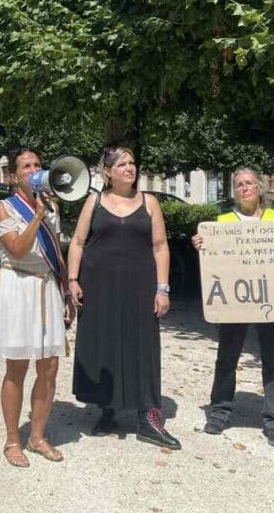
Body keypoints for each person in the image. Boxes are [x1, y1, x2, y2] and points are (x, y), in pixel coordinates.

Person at [67, 146, 180, 450]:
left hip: (140, 286)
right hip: (99, 285)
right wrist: (73, 280)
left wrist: (162, 288)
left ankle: (148, 417)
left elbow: (160, 247)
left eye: (132, 162)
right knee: (103, 344)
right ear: (107, 171)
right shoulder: (94, 201)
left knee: (142, 346)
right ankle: (108, 409)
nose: (130, 168)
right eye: (122, 164)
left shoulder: (150, 202)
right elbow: (78, 242)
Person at [191, 167, 274, 447]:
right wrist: (201, 243)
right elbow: (215, 257)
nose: (244, 188)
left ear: (259, 188)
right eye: (239, 185)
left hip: (271, 297)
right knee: (227, 357)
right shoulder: (223, 221)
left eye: (249, 183)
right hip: (236, 299)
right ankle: (220, 412)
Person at [0, 148, 74, 468]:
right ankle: (13, 440)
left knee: (49, 366)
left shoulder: (51, 207)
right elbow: (17, 247)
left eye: (38, 165)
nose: (35, 170)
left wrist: (67, 291)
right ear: (12, 176)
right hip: (19, 286)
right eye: (27, 166)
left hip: (47, 285)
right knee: (17, 367)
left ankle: (37, 436)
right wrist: (37, 216)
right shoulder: (3, 207)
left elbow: (56, 252)